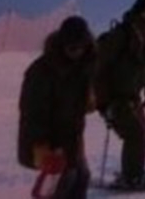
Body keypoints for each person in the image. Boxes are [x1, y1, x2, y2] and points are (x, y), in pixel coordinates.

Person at [19, 15, 96, 199]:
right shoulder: (41, 71)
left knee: (81, 177)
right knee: (62, 182)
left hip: (72, 136)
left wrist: (90, 100)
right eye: (71, 47)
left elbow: (83, 97)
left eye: (81, 47)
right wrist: (41, 145)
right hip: (49, 140)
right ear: (62, 45)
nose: (76, 52)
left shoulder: (84, 65)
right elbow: (32, 112)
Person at [96, 0, 145, 192]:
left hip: (133, 95)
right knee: (135, 135)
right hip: (116, 97)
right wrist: (103, 102)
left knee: (140, 135)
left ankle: (135, 173)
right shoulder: (122, 34)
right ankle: (131, 177)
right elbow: (99, 67)